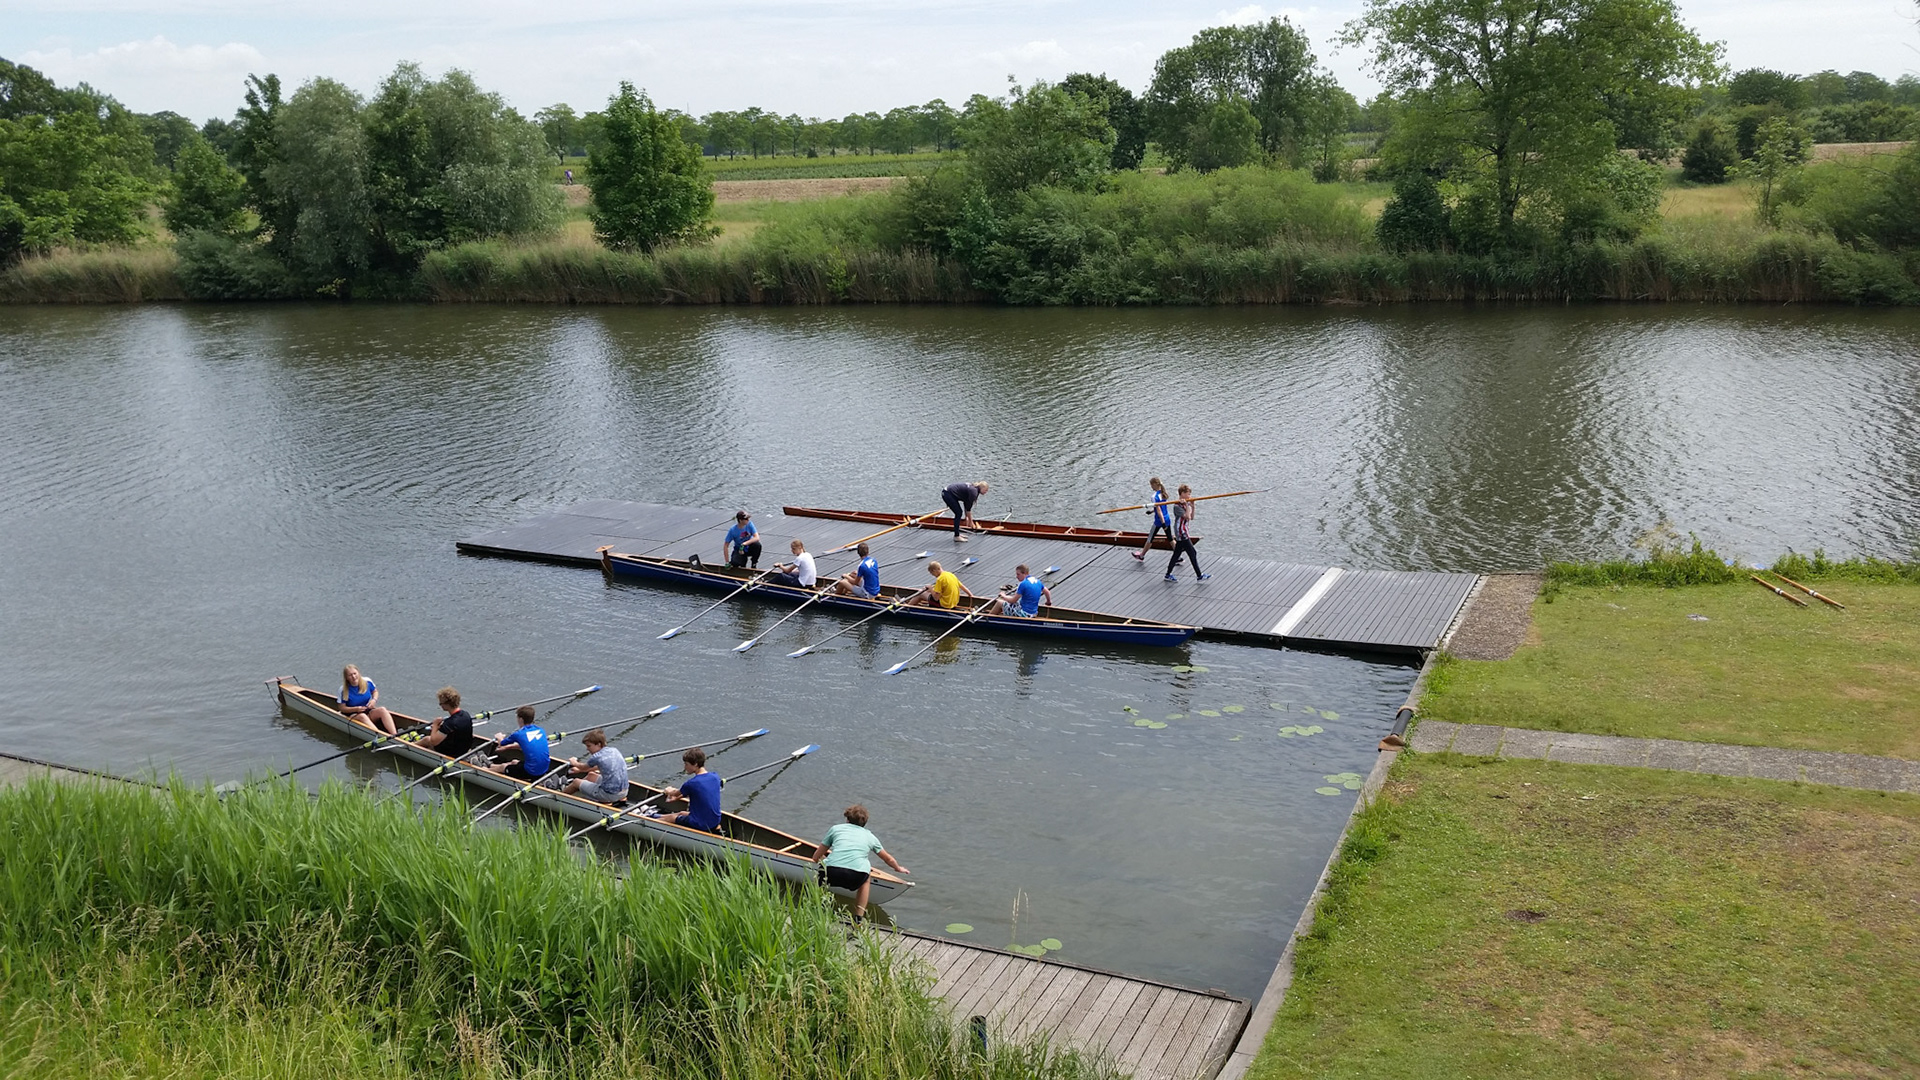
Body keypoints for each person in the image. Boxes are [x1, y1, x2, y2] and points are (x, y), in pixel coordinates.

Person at [810, 804, 909, 920]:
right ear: (864, 823)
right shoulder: (870, 836)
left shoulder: (835, 829)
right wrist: (898, 868)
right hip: (857, 876)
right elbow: (888, 859)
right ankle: (858, 918)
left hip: (831, 872)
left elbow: (815, 856)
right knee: (866, 880)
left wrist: (822, 859)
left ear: (847, 819)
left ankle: (816, 908)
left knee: (820, 877)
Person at [659, 747, 722, 832]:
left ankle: (648, 822)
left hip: (701, 824)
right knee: (681, 813)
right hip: (715, 821)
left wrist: (668, 790)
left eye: (686, 764)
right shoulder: (715, 777)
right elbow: (698, 792)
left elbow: (675, 793)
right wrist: (677, 798)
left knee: (672, 817)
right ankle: (653, 816)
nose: (685, 768)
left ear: (695, 764)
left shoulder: (692, 783)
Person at [560, 728, 628, 804]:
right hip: (624, 791)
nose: (587, 749)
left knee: (576, 782)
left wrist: (574, 762)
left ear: (598, 744)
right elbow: (600, 766)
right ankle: (585, 791)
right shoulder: (613, 750)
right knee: (591, 775)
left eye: (589, 746)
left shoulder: (597, 756)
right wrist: (579, 770)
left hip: (609, 794)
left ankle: (559, 797)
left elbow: (583, 766)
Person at [487, 705, 552, 782]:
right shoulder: (541, 731)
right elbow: (525, 745)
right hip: (543, 769)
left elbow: (501, 743)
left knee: (503, 767)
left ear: (520, 719)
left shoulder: (519, 734)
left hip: (531, 772)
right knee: (514, 762)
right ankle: (490, 765)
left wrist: (499, 736)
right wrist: (507, 748)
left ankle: (484, 770)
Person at [1165, 484, 1211, 583]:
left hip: (1185, 530)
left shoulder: (1185, 504)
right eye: (1188, 494)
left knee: (1177, 554)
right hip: (1181, 532)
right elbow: (1187, 517)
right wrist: (1187, 505)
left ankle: (1168, 574)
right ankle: (1199, 575)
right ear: (1182, 494)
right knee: (1192, 553)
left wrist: (1192, 506)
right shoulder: (1177, 506)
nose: (1189, 496)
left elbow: (1192, 517)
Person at [419, 686, 478, 760]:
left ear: (447, 704)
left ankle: (410, 746)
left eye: (441, 703)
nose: (440, 705)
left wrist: (435, 725)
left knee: (427, 740)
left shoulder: (450, 722)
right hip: (463, 750)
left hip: (452, 754)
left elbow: (433, 741)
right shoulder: (466, 715)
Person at [338, 665, 396, 736]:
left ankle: (395, 735)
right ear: (346, 678)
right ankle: (379, 735)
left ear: (358, 673)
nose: (353, 677)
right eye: (350, 675)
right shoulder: (343, 690)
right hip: (352, 715)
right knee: (362, 716)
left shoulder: (367, 681)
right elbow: (342, 708)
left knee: (382, 710)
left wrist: (374, 700)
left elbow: (375, 692)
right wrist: (356, 709)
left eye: (355, 673)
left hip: (367, 711)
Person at [1133, 477, 1172, 560]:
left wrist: (1163, 523)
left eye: (1151, 485)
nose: (1151, 487)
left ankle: (1142, 555)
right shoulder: (1163, 493)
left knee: (1150, 538)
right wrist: (1151, 511)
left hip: (1159, 521)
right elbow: (1161, 507)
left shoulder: (1154, 496)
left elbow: (1159, 510)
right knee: (1170, 538)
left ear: (1154, 484)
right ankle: (1178, 556)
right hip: (1167, 518)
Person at [905, 559, 971, 609]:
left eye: (932, 573)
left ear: (934, 570)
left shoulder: (940, 579)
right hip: (953, 603)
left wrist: (931, 589)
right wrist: (970, 595)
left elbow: (936, 598)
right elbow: (962, 587)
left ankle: (907, 607)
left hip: (944, 605)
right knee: (927, 591)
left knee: (920, 593)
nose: (933, 575)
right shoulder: (950, 575)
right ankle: (914, 604)